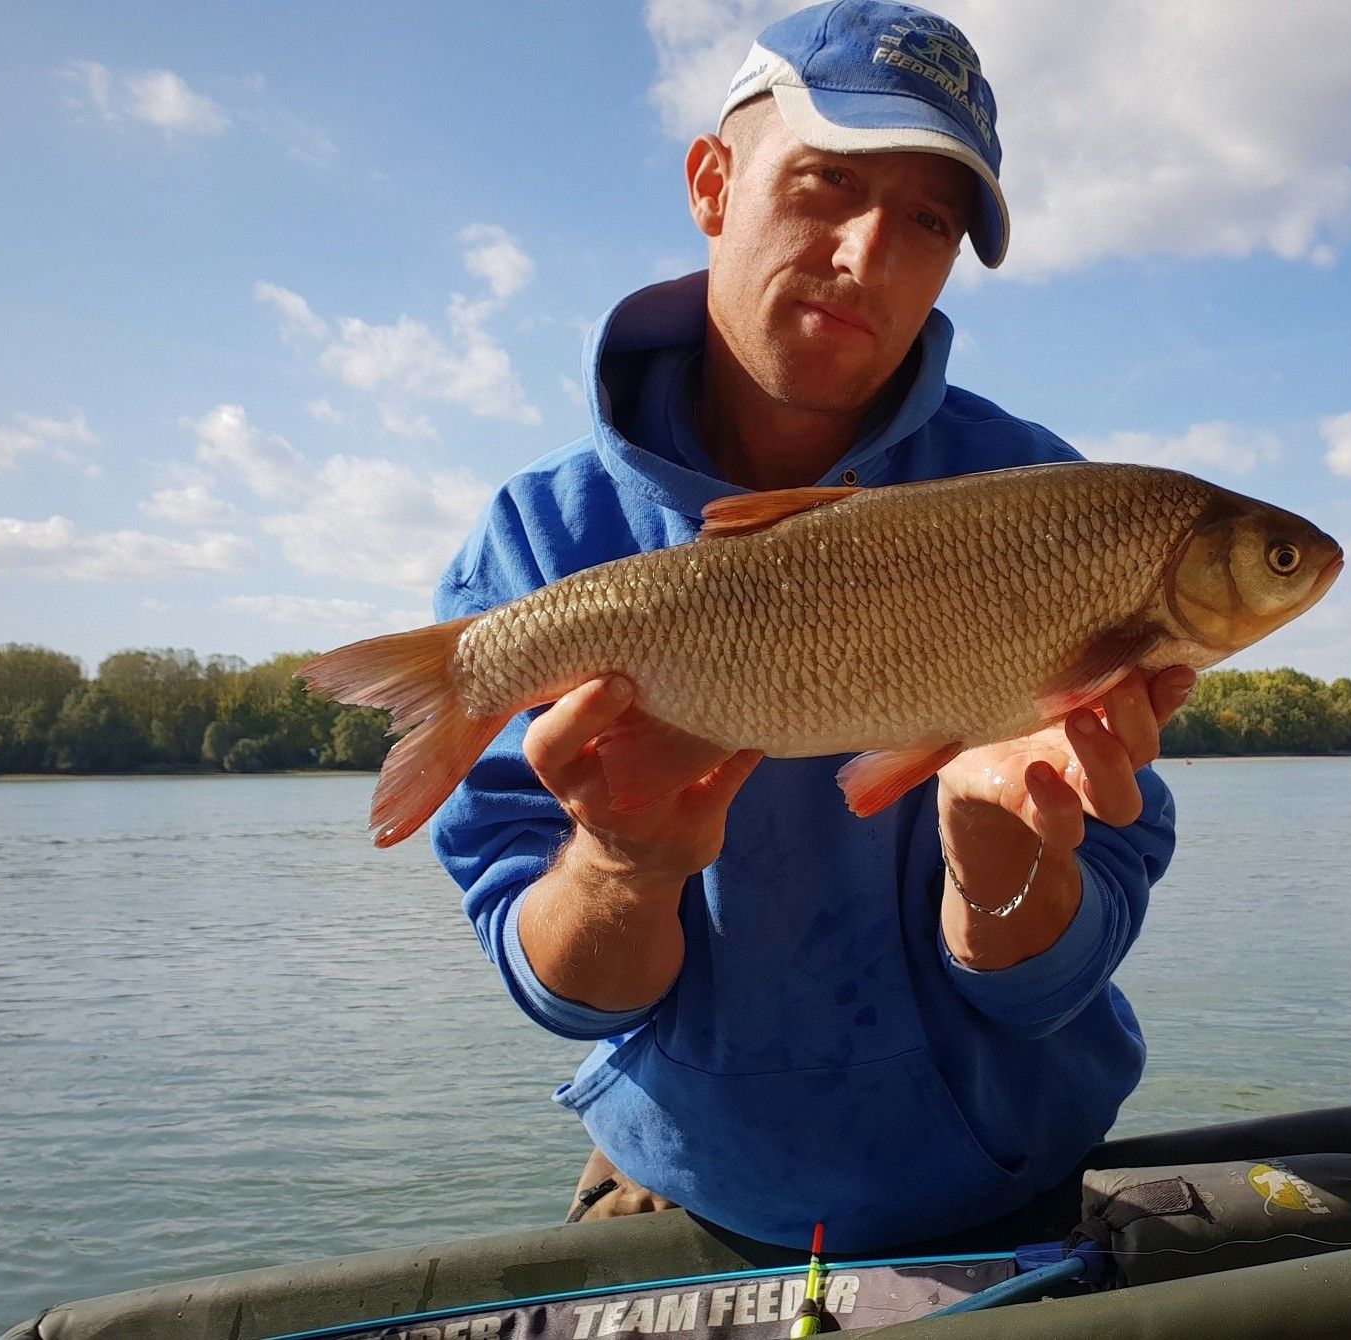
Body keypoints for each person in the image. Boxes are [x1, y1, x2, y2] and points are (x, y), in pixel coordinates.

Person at [430, 0, 1197, 1254]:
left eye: (929, 221)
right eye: (828, 183)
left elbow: (1072, 957)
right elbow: (561, 990)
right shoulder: (536, 544)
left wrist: (1006, 864)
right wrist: (625, 863)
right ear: (713, 181)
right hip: (691, 1185)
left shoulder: (1053, 508)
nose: (868, 255)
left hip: (1010, 1172)